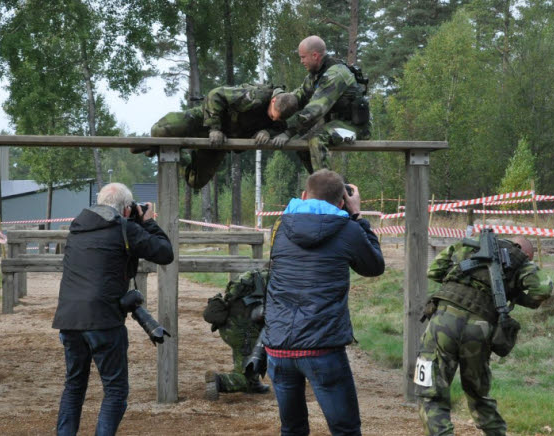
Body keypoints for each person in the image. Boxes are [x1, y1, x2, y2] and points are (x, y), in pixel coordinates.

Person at [262, 169, 385, 436]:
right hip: (322, 346)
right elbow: (374, 266)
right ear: (342, 201)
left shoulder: (281, 227)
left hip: (279, 346)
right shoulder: (348, 229)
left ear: (304, 196)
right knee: (346, 430)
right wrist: (358, 216)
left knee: (292, 429)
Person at [51, 183, 174, 436]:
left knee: (74, 387)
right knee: (115, 391)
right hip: (104, 320)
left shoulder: (77, 227)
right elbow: (165, 252)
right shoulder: (125, 229)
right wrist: (148, 222)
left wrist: (133, 221)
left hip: (69, 319)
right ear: (127, 209)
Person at [416, 234, 551, 436]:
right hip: (480, 329)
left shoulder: (468, 246)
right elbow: (542, 289)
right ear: (526, 253)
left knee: (431, 394)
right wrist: (512, 294)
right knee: (479, 395)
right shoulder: (520, 261)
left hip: (442, 322)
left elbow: (433, 270)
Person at [145, 84, 301, 189]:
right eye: (273, 115)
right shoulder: (255, 96)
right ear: (273, 101)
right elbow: (216, 94)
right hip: (207, 120)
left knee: (195, 181)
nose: (273, 119)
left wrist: (268, 132)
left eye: (277, 118)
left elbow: (280, 128)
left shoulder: (281, 114)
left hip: (223, 141)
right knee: (159, 131)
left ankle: (183, 156)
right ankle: (165, 146)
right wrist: (214, 128)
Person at [270, 35, 371, 174]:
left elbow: (313, 112)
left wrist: (288, 132)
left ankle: (327, 188)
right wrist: (277, 104)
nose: (301, 61)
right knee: (302, 147)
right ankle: (330, 186)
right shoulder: (314, 76)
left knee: (316, 139)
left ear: (315, 55)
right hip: (336, 125)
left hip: (355, 128)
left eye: (303, 57)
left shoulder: (335, 75)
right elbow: (299, 96)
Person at [201, 268, 271, 400]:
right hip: (242, 331)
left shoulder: (256, 276)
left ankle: (254, 384)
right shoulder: (277, 279)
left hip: (229, 325)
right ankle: (219, 381)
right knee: (246, 372)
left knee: (246, 357)